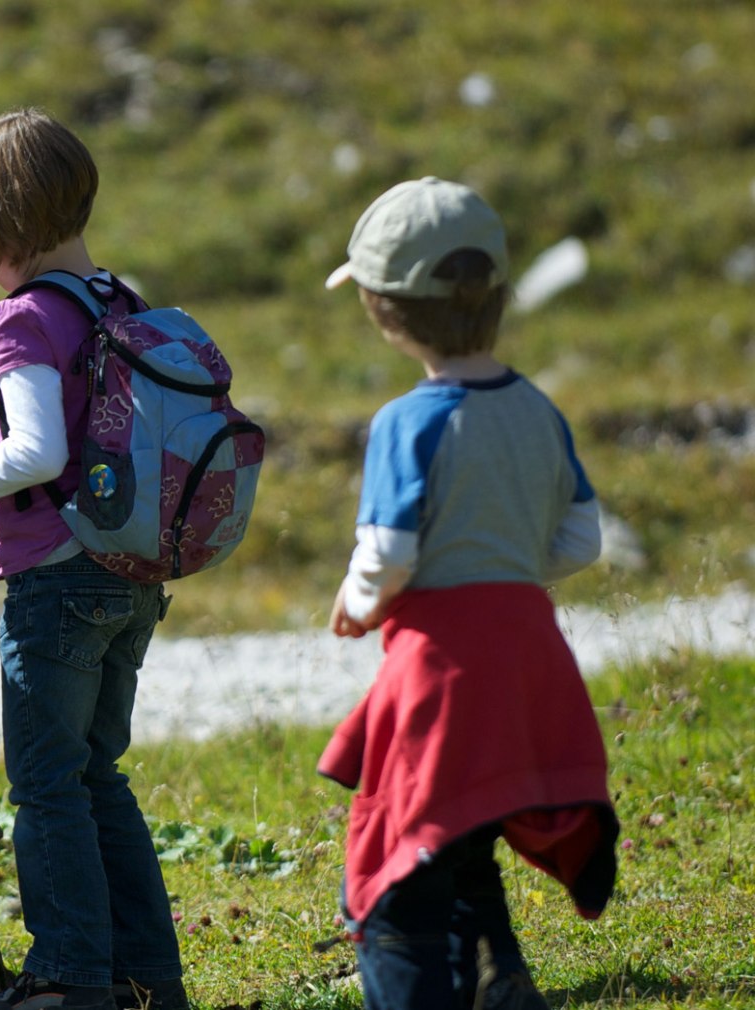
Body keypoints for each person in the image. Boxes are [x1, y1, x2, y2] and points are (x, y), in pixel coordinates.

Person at [0, 108, 188, 1010]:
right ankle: (147, 980)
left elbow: (42, 455)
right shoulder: (119, 300)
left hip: (57, 581)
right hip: (132, 575)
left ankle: (68, 980)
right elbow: (69, 428)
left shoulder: (21, 318)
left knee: (47, 784)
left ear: (7, 223)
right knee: (98, 776)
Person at [318, 177, 619, 1010]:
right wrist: (506, 576)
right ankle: (499, 974)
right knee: (470, 820)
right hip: (532, 650)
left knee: (399, 854)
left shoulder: (407, 423)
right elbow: (580, 538)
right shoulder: (538, 409)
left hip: (442, 667)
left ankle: (417, 991)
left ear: (383, 310)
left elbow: (389, 550)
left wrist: (360, 600)